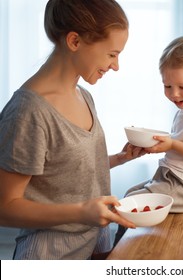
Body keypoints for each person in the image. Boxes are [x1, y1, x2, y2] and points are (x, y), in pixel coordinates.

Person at [0, 0, 145, 260]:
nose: (116, 66)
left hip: (94, 240)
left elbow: (66, 175)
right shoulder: (29, 111)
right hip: (50, 253)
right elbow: (5, 207)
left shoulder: (84, 96)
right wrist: (81, 212)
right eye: (112, 54)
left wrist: (119, 159)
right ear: (75, 41)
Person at [114, 36, 183, 245]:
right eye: (167, 86)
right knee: (129, 195)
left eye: (182, 86)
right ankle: (118, 248)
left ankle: (117, 253)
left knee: (128, 204)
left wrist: (172, 144)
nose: (174, 94)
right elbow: (182, 143)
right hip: (175, 178)